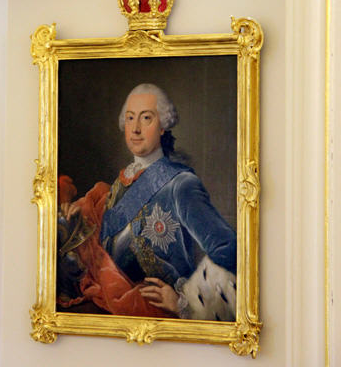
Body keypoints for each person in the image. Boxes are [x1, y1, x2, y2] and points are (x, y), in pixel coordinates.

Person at [57, 83, 236, 320]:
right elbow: (105, 249)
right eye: (130, 118)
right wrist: (76, 221)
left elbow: (229, 249)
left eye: (146, 118)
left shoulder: (180, 184)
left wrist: (184, 300)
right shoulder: (120, 183)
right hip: (114, 311)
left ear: (163, 126)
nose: (136, 129)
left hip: (160, 318)